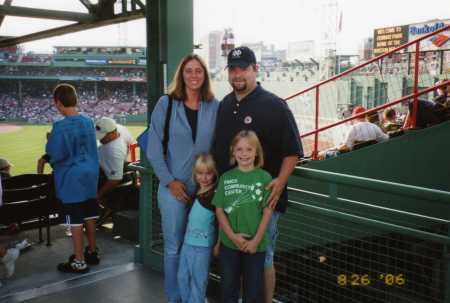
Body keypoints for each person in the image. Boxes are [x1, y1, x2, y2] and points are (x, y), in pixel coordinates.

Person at [212, 46, 302, 303]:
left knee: (263, 259)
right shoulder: (225, 105)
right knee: (234, 260)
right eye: (232, 69)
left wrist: (280, 183)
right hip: (230, 202)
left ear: (255, 70)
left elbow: (293, 152)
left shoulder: (275, 105)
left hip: (262, 202)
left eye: (243, 68)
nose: (237, 74)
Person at [147, 54, 219, 303]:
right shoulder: (166, 104)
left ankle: (195, 297)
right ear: (181, 74)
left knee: (200, 247)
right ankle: (175, 297)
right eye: (189, 71)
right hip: (172, 188)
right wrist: (169, 181)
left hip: (204, 189)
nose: (194, 75)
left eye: (199, 71)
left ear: (205, 75)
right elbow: (154, 148)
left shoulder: (214, 105)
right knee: (174, 247)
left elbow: (219, 145)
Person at [43, 83, 100, 273]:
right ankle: (92, 251)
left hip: (72, 177)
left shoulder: (60, 126)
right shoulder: (88, 121)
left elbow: (56, 154)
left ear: (58, 103)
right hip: (90, 174)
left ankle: (79, 260)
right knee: (90, 213)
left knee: (75, 219)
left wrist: (49, 144)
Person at [213, 130, 273, 303]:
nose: (244, 154)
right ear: (233, 151)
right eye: (239, 149)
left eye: (249, 149)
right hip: (229, 245)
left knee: (253, 292)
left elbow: (267, 212)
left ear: (256, 152)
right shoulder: (226, 178)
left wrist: (255, 242)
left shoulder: (264, 178)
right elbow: (219, 210)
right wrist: (232, 236)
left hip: (255, 246)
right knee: (228, 289)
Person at [177, 153, 219, 303]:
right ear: (195, 174)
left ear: (214, 173)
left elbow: (221, 222)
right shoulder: (195, 192)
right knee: (182, 276)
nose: (204, 177)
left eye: (208, 173)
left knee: (198, 280)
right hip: (188, 243)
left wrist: (218, 243)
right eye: (200, 173)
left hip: (203, 247)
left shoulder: (215, 194)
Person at [95, 117, 135, 223]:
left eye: (103, 136)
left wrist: (98, 195)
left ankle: (107, 208)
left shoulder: (114, 151)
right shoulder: (120, 128)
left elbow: (115, 180)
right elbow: (133, 144)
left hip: (110, 178)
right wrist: (131, 162)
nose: (100, 139)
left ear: (113, 132)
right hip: (117, 170)